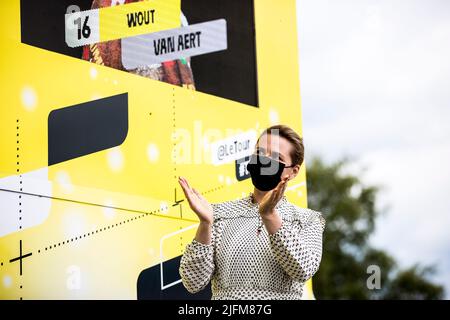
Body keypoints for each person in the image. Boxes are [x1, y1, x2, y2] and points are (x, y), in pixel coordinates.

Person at [178, 124, 325, 299]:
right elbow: (192, 282)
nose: (265, 160)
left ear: (294, 171)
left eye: (277, 157)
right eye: (260, 152)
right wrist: (205, 224)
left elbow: (303, 269)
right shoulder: (219, 214)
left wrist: (269, 215)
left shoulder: (308, 219)